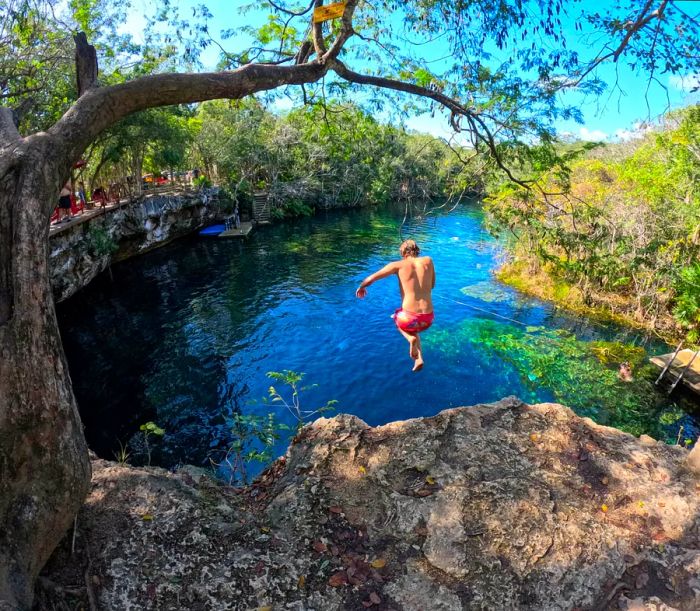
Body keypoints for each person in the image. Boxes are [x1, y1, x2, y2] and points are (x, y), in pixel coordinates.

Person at [356, 239, 435, 372]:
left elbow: (371, 278)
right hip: (428, 318)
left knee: (397, 317)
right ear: (417, 250)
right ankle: (419, 358)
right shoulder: (428, 260)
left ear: (403, 252)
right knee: (414, 325)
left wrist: (361, 287)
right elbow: (432, 285)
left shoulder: (397, 265)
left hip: (408, 319)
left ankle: (410, 339)